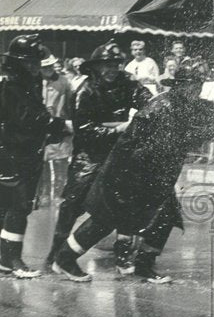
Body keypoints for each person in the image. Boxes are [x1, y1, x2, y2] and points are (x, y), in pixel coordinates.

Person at [51, 56, 214, 283]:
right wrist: (205, 133)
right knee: (107, 220)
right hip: (130, 172)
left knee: (153, 217)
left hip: (143, 172)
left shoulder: (181, 104)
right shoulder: (165, 107)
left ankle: (137, 264)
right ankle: (67, 259)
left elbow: (206, 115)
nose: (195, 89)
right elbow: (170, 143)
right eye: (191, 85)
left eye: (198, 85)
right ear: (180, 85)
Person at [0, 34, 67, 278]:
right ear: (18, 61)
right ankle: (11, 260)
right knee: (17, 206)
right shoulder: (7, 82)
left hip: (0, 152)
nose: (34, 67)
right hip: (6, 154)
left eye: (35, 63)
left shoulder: (15, 78)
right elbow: (26, 118)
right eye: (30, 62)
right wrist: (58, 125)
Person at [44, 40, 152, 270]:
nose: (112, 70)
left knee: (126, 200)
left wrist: (148, 103)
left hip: (120, 152)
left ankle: (123, 256)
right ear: (96, 67)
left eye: (116, 65)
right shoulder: (86, 91)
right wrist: (116, 130)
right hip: (90, 156)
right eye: (107, 65)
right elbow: (84, 131)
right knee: (72, 203)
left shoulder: (127, 82)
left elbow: (144, 99)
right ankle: (55, 252)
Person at [36, 51, 74, 207]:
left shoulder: (63, 82)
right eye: (45, 67)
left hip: (60, 126)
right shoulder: (35, 82)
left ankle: (59, 195)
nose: (49, 69)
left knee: (60, 164)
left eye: (51, 66)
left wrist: (70, 122)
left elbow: (71, 104)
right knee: (42, 165)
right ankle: (43, 195)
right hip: (41, 127)